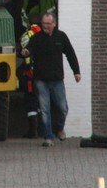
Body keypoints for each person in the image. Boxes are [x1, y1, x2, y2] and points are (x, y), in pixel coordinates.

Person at [22, 10, 81, 147]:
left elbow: (70, 54)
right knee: (44, 109)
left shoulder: (61, 37)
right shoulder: (37, 38)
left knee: (63, 108)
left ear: (54, 23)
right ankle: (48, 137)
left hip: (57, 80)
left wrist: (76, 72)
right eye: (43, 23)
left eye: (48, 23)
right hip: (41, 80)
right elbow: (29, 48)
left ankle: (59, 128)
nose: (45, 26)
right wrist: (26, 52)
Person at [18, 14, 42, 138]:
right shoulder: (45, 34)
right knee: (42, 100)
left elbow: (23, 52)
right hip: (43, 73)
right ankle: (43, 130)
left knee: (31, 100)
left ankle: (33, 131)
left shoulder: (27, 35)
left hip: (30, 73)